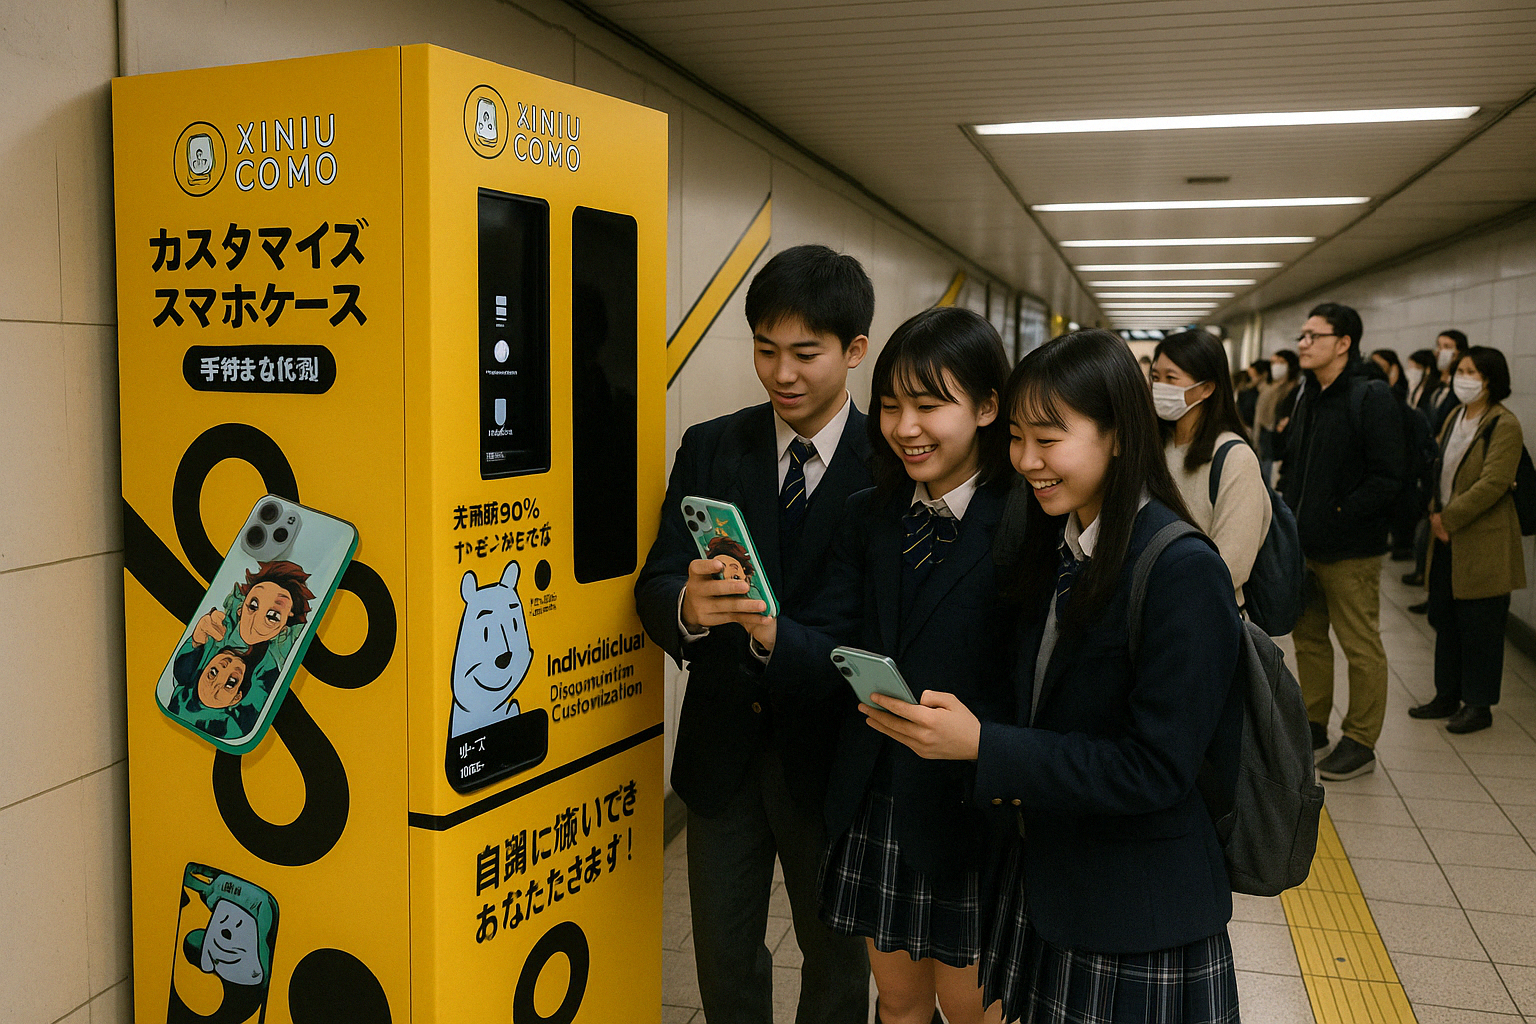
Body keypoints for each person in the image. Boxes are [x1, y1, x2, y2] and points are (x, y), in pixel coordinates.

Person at [859, 328, 1244, 1024]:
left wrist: (985, 746)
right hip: (1056, 891)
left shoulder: (1182, 571)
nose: (1027, 461)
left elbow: (1155, 769)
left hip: (1138, 916)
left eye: (1049, 438)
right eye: (1016, 437)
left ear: (1120, 436)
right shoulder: (1060, 548)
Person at [752, 307, 1014, 1024]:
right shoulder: (874, 512)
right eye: (892, 405)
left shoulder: (1025, 517)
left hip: (976, 807)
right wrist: (768, 629)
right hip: (881, 793)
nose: (905, 428)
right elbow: (834, 639)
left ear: (989, 406)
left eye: (930, 406)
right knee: (897, 1003)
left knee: (973, 1010)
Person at [634, 244, 874, 1024]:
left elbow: (876, 629)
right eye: (765, 350)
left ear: (854, 351)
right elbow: (657, 579)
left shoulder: (891, 464)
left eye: (806, 353)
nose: (782, 373)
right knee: (724, 955)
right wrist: (687, 609)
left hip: (832, 757)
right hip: (721, 753)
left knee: (836, 960)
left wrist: (777, 637)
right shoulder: (714, 444)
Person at [1278, 303, 1405, 780]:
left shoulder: (1369, 396)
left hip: (1351, 550)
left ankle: (1360, 740)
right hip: (1303, 543)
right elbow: (1293, 464)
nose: (1303, 343)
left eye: (1313, 335)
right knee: (1308, 639)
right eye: (1302, 334)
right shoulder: (1307, 395)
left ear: (1344, 343)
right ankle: (1314, 723)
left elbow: (1389, 476)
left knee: (1360, 643)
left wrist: (1337, 514)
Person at [1410, 347, 1526, 735]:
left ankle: (1478, 705)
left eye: (1471, 371)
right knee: (1445, 617)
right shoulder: (1457, 416)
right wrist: (1435, 510)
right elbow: (1442, 468)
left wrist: (1450, 518)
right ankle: (1447, 694)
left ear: (1490, 379)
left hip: (1481, 540)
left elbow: (1494, 481)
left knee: (1481, 625)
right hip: (1444, 535)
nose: (1463, 377)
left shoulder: (1503, 424)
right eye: (1460, 369)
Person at [1149, 329, 1271, 607]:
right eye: (1156, 378)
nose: (1159, 387)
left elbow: (1233, 563)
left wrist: (1172, 599)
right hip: (1152, 606)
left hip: (1202, 609)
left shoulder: (1234, 458)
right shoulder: (1155, 448)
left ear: (1206, 388)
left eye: (1171, 378)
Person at [1425, 330, 1469, 437]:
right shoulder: (1433, 380)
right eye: (1438, 346)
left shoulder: (1461, 383)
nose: (1439, 351)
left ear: (1458, 353)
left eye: (1447, 347)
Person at [1405, 348, 1438, 413]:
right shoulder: (1414, 388)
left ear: (1427, 369)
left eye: (1416, 367)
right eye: (1410, 367)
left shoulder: (1434, 391)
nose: (1411, 371)